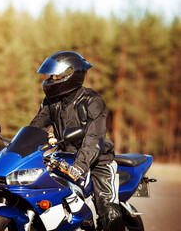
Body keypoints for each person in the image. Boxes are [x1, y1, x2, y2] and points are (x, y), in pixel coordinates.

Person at [29, 51, 125, 231]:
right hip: (66, 158)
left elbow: (94, 139)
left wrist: (80, 166)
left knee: (108, 208)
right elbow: (35, 127)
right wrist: (17, 150)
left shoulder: (92, 101)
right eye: (51, 75)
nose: (52, 78)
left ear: (72, 75)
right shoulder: (52, 102)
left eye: (56, 75)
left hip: (98, 161)